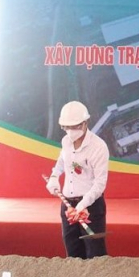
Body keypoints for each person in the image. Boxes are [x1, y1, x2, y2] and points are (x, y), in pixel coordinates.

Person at [45, 101, 109, 259]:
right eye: (66, 127)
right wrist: (54, 177)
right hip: (68, 205)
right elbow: (62, 161)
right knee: (72, 251)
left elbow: (100, 183)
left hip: (91, 206)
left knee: (95, 253)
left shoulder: (98, 147)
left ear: (85, 122)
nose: (70, 131)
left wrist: (82, 205)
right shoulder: (66, 141)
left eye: (74, 126)